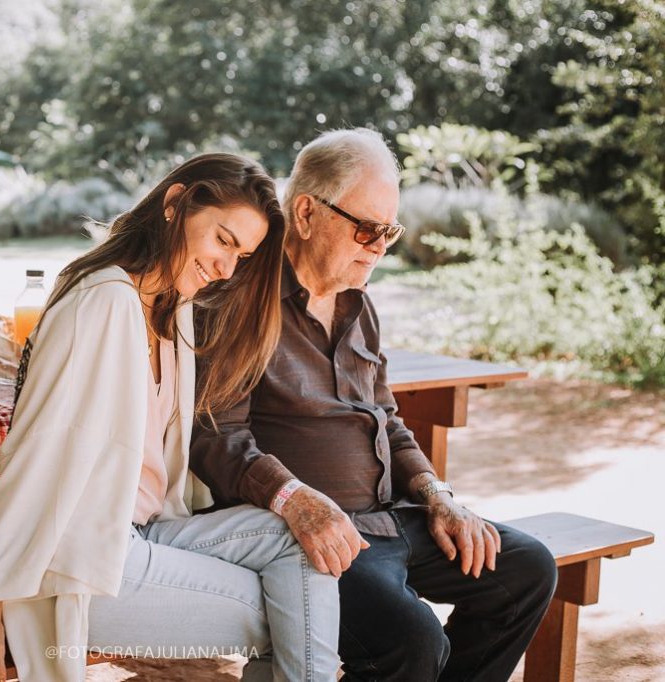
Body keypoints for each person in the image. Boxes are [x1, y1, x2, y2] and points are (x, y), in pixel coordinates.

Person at [0, 153, 341, 681]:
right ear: (175, 204)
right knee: (295, 614)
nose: (227, 268)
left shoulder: (172, 310)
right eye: (223, 240)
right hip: (86, 562)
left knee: (304, 545)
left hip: (149, 533)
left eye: (241, 255)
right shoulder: (103, 303)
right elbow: (32, 456)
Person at [190, 129, 558, 681]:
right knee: (414, 642)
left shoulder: (358, 303)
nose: (380, 245)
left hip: (393, 520)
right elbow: (218, 436)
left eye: (389, 230)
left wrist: (438, 497)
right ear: (308, 212)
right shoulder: (240, 297)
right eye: (367, 228)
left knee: (527, 570)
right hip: (312, 535)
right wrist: (295, 501)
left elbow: (387, 418)